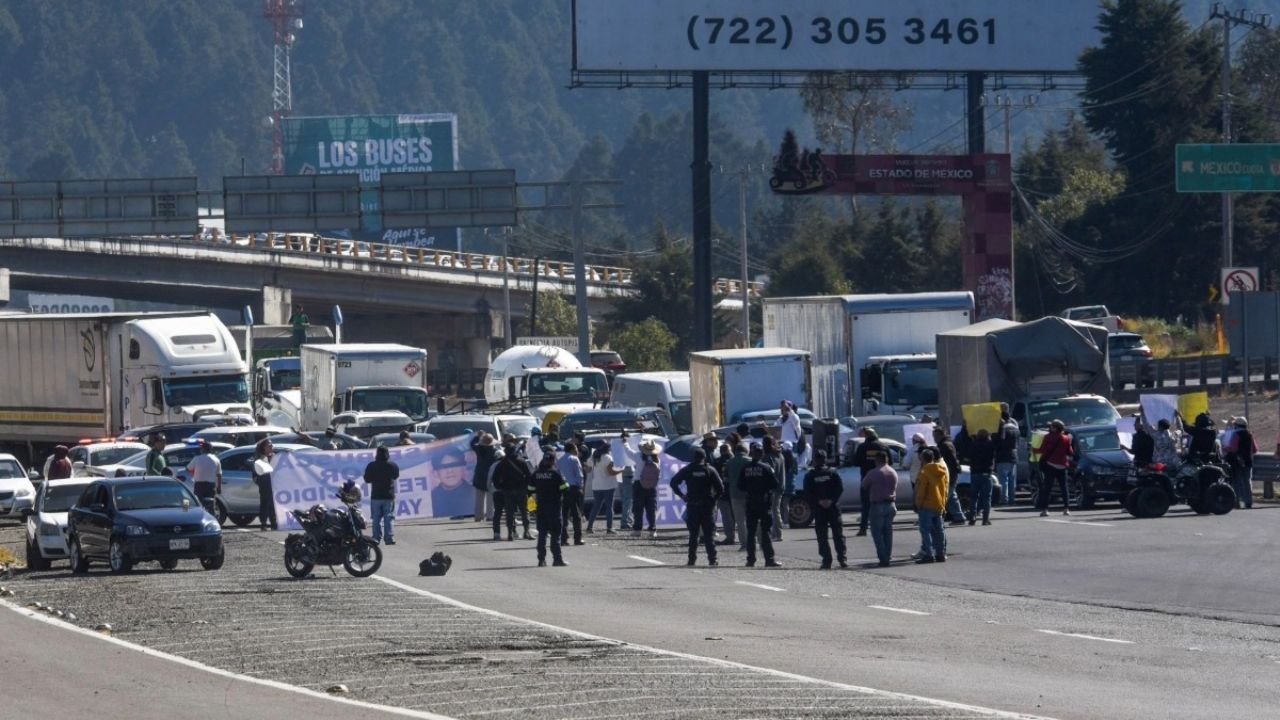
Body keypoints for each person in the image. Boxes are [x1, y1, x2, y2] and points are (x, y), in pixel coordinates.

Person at [670, 448, 724, 566]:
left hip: (693, 505)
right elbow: (720, 488)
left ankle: (691, 560)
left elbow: (673, 482)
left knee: (693, 534)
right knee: (709, 534)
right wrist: (713, 500)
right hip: (707, 506)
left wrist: (682, 496)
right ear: (704, 457)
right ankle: (712, 559)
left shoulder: (688, 470)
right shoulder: (710, 470)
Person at [738, 443, 782, 568]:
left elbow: (740, 486)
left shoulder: (745, 468)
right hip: (763, 502)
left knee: (751, 532)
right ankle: (769, 559)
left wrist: (750, 488)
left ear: (751, 454)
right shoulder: (766, 468)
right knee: (765, 532)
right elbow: (775, 484)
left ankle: (750, 560)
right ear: (761, 454)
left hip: (751, 502)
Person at [802, 449, 845, 569]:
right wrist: (829, 500)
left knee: (825, 536)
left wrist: (823, 501)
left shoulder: (812, 475)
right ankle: (839, 559)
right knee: (835, 535)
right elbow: (840, 488)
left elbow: (807, 493)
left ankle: (829, 560)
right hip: (829, 507)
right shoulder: (832, 473)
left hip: (823, 508)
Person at [528, 449, 569, 567]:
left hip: (540, 509)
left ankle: (541, 560)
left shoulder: (535, 474)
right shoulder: (556, 473)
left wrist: (531, 510)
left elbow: (529, 492)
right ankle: (557, 559)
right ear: (552, 461)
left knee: (542, 535)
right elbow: (565, 488)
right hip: (554, 508)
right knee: (555, 535)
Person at [491, 437, 532, 541]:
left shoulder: (501, 463)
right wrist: (526, 487)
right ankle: (526, 531)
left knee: (509, 513)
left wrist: (501, 487)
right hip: (521, 490)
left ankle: (510, 533)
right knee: (524, 511)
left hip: (507, 491)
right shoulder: (521, 462)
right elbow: (528, 476)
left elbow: (495, 478)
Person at [915, 448, 949, 564]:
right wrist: (943, 504)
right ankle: (941, 554)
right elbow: (945, 489)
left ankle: (929, 554)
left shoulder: (924, 471)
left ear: (923, 458)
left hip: (926, 504)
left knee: (925, 530)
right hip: (939, 504)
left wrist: (918, 503)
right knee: (939, 530)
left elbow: (921, 489)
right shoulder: (942, 470)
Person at [851, 428, 888, 536]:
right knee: (881, 503)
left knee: (866, 505)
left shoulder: (862, 447)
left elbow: (856, 462)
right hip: (881, 479)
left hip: (866, 478)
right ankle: (881, 527)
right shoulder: (883, 446)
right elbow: (889, 461)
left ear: (866, 436)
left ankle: (863, 528)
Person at [864, 452, 898, 567]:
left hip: (877, 504)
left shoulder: (873, 473)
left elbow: (864, 485)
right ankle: (888, 556)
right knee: (888, 532)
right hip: (891, 504)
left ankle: (883, 558)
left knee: (877, 533)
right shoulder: (893, 472)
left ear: (877, 460)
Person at [1036, 420, 1074, 517]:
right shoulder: (1066, 438)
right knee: (1064, 487)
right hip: (1062, 465)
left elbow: (1043, 450)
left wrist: (1034, 449)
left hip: (1051, 464)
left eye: (1052, 426)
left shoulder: (1048, 437)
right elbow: (1070, 452)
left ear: (1055, 428)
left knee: (1048, 488)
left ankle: (1045, 509)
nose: (1050, 428)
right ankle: (1066, 508)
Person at [363, 446, 400, 544]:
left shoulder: (371, 465)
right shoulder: (392, 465)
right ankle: (389, 538)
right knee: (389, 517)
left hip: (376, 495)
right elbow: (396, 476)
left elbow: (367, 479)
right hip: (389, 495)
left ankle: (376, 538)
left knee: (376, 518)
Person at [585, 443, 623, 534]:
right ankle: (609, 528)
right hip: (608, 485)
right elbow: (611, 472)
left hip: (597, 485)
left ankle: (589, 527)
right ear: (608, 449)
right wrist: (621, 470)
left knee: (596, 507)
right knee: (609, 507)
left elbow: (588, 470)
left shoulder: (593, 457)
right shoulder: (608, 458)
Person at [933, 426, 967, 525]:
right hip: (950, 474)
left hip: (949, 474)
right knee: (951, 496)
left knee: (945, 497)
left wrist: (954, 470)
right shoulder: (946, 444)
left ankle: (940, 518)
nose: (934, 438)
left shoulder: (944, 445)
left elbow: (952, 460)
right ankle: (959, 517)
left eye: (935, 436)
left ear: (940, 435)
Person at [557, 441, 585, 546]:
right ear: (572, 449)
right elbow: (579, 475)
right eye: (576, 448)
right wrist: (581, 487)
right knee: (576, 514)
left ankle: (564, 538)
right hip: (574, 488)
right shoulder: (574, 459)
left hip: (563, 489)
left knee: (564, 514)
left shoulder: (559, 461)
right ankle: (577, 538)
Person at [725, 439, 751, 550]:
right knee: (753, 519)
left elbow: (726, 478)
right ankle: (756, 542)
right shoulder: (750, 461)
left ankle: (744, 544)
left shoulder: (729, 462)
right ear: (746, 451)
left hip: (735, 494)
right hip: (750, 494)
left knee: (740, 521)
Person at [967, 428, 997, 526]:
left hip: (975, 472)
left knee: (974, 497)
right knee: (986, 497)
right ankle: (985, 519)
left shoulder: (972, 445)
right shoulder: (990, 445)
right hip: (986, 472)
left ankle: (972, 517)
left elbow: (968, 455)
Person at [1225, 417, 1256, 509]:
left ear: (1237, 425)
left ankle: (1237, 502)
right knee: (1247, 481)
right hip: (1248, 461)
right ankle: (1248, 502)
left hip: (1236, 461)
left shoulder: (1235, 434)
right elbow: (1254, 449)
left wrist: (1225, 448)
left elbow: (1233, 448)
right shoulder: (1250, 435)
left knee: (1237, 482)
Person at [633, 442, 661, 537]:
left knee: (638, 508)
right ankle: (652, 530)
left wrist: (625, 443)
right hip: (652, 485)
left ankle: (637, 530)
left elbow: (628, 452)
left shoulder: (638, 456)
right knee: (651, 508)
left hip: (639, 484)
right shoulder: (656, 459)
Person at [613, 429, 640, 531]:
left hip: (620, 474)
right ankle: (626, 522)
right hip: (628, 475)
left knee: (625, 500)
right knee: (628, 501)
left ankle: (626, 521)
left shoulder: (616, 446)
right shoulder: (628, 445)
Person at [762, 436, 786, 542]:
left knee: (774, 510)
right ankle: (778, 532)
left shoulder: (768, 457)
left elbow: (769, 473)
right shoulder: (780, 455)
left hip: (772, 487)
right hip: (781, 485)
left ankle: (777, 533)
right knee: (776, 509)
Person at [470, 432, 498, 522]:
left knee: (479, 498)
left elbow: (472, 444)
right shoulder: (494, 452)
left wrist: (477, 436)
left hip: (479, 475)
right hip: (491, 475)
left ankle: (478, 516)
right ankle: (490, 516)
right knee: (491, 498)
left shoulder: (479, 449)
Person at [186, 441, 223, 508]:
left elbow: (188, 469)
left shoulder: (197, 458)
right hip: (211, 486)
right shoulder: (216, 459)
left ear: (202, 449)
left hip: (199, 486)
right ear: (211, 449)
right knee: (211, 505)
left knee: (198, 505)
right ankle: (212, 516)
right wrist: (219, 488)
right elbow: (219, 475)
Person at [995, 406, 1020, 506]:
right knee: (1011, 480)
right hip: (1013, 456)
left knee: (1003, 479)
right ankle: (1012, 499)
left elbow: (999, 442)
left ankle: (1003, 499)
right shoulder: (1015, 427)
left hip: (1003, 456)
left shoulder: (1002, 429)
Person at [252, 439, 277, 531]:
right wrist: (260, 481)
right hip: (265, 484)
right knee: (265, 503)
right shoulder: (259, 459)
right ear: (264, 447)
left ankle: (274, 523)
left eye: (272, 445)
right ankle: (263, 523)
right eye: (269, 446)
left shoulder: (274, 457)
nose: (272, 447)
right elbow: (255, 474)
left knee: (273, 504)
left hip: (274, 484)